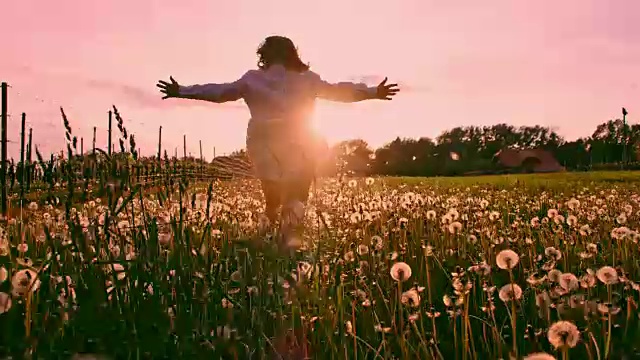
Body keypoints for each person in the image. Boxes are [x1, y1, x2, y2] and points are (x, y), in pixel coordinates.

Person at [157, 35, 399, 250]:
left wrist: (183, 90)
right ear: (293, 54)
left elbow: (220, 92)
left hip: (264, 145)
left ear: (263, 55)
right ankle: (287, 244)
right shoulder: (307, 79)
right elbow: (338, 92)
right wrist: (372, 92)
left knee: (272, 198)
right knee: (296, 196)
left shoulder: (252, 79)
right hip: (300, 142)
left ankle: (266, 240)